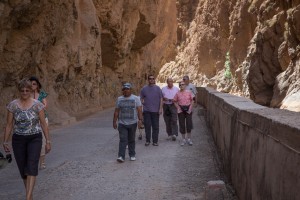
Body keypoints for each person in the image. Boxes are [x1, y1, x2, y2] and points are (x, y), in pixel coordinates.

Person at [3, 78, 51, 200]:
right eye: (22, 90)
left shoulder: (37, 105)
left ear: (31, 91)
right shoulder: (13, 105)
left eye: (27, 90)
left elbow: (43, 124)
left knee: (32, 165)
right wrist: (5, 141)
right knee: (23, 168)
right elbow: (9, 124)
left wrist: (48, 141)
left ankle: (28, 197)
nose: (24, 93)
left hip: (34, 138)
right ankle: (30, 195)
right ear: (19, 91)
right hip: (18, 139)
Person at [113, 83, 143, 162]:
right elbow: (116, 111)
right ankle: (121, 156)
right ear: (122, 91)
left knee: (131, 139)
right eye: (124, 89)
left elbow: (139, 109)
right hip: (122, 123)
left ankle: (132, 154)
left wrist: (140, 120)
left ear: (130, 90)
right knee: (123, 139)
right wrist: (114, 122)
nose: (126, 90)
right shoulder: (119, 99)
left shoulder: (136, 98)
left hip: (133, 123)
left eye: (127, 89)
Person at [29, 76, 48, 169]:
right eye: (31, 84)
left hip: (42, 119)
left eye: (34, 84)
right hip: (31, 120)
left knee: (42, 140)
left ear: (37, 85)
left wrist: (37, 106)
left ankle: (42, 162)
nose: (32, 86)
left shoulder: (41, 93)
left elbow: (45, 105)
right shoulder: (26, 94)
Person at [140, 75, 163, 146]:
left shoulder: (158, 88)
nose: (151, 80)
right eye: (150, 79)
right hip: (147, 111)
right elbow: (141, 97)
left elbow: (161, 99)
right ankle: (147, 140)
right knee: (147, 126)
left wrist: (160, 108)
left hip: (155, 111)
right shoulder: (144, 89)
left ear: (154, 80)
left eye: (153, 79)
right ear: (148, 80)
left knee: (155, 126)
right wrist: (143, 102)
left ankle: (155, 141)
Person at [173, 81, 194, 146]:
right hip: (181, 110)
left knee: (189, 124)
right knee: (182, 125)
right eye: (180, 85)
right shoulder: (177, 93)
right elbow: (174, 101)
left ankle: (189, 139)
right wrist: (178, 108)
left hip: (188, 110)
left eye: (183, 84)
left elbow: (193, 100)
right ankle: (183, 139)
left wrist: (190, 108)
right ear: (179, 86)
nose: (182, 86)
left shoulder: (189, 92)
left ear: (185, 85)